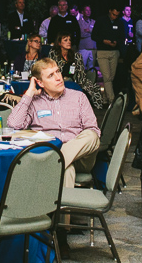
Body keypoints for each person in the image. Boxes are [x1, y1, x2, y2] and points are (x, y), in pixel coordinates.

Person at [10, 57, 100, 188]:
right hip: (47, 152)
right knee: (66, 169)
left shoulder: (79, 97)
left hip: (80, 157)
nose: (58, 78)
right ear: (40, 83)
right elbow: (14, 124)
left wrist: (63, 152)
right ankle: (62, 202)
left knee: (92, 135)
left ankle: (53, 162)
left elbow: (93, 130)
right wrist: (29, 94)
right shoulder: (34, 102)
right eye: (51, 75)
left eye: (58, 72)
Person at [50, 31, 106, 108]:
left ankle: (96, 108)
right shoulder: (54, 54)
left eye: (70, 40)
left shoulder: (76, 56)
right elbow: (51, 72)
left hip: (75, 80)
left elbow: (81, 74)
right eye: (65, 40)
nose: (69, 42)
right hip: (59, 81)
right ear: (59, 43)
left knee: (94, 87)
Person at [93, 7, 127, 100]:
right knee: (107, 77)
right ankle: (112, 100)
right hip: (102, 52)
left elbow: (122, 37)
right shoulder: (100, 20)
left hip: (114, 52)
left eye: (117, 15)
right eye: (113, 14)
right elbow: (94, 36)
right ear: (110, 11)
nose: (114, 17)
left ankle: (105, 98)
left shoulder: (120, 22)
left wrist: (116, 42)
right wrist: (104, 41)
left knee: (111, 77)